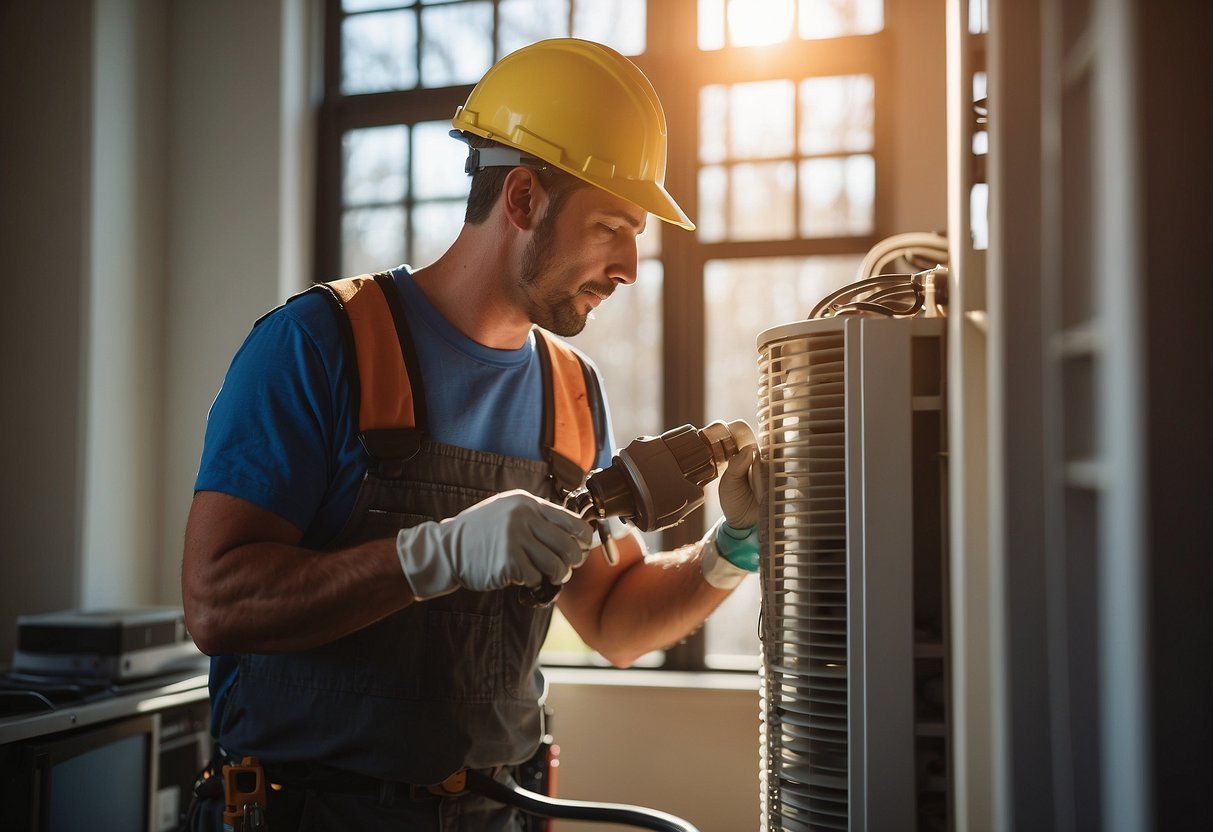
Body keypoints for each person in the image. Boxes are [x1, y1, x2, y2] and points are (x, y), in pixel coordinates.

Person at [182, 37, 761, 831]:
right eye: (611, 227)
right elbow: (216, 603)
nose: (629, 265)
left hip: (494, 815)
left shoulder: (569, 388)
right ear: (522, 199)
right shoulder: (319, 344)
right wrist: (435, 555)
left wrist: (733, 547)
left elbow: (615, 623)